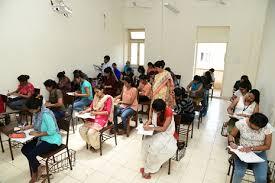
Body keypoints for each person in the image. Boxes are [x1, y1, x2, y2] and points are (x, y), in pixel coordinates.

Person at [21, 96, 61, 183]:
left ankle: (36, 173)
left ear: (38, 108)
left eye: (31, 110)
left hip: (52, 140)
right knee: (24, 149)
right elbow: (36, 124)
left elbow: (52, 131)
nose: (30, 111)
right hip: (42, 137)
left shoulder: (46, 114)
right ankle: (39, 167)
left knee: (31, 154)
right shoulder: (38, 112)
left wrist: (38, 133)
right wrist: (28, 127)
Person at [228, 113, 273, 183]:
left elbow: (267, 146)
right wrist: (231, 142)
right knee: (239, 173)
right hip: (242, 152)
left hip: (259, 154)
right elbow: (231, 135)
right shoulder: (241, 123)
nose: (258, 129)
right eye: (256, 127)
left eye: (260, 128)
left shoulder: (267, 127)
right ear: (250, 121)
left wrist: (251, 148)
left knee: (261, 178)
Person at [141, 99, 177, 179]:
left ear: (161, 110)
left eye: (156, 111)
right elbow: (151, 119)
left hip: (167, 133)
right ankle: (146, 164)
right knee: (145, 142)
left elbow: (164, 129)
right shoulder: (154, 108)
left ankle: (150, 169)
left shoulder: (168, 112)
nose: (154, 112)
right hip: (156, 130)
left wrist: (151, 129)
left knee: (155, 147)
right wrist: (147, 124)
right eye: (153, 110)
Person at [79, 85, 113, 151]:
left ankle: (97, 146)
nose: (96, 94)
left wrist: (96, 113)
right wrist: (84, 111)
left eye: (97, 92)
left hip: (103, 118)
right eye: (95, 92)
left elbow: (107, 112)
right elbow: (91, 107)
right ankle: (91, 142)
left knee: (90, 132)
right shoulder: (96, 97)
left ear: (102, 90)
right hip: (93, 117)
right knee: (82, 130)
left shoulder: (108, 98)